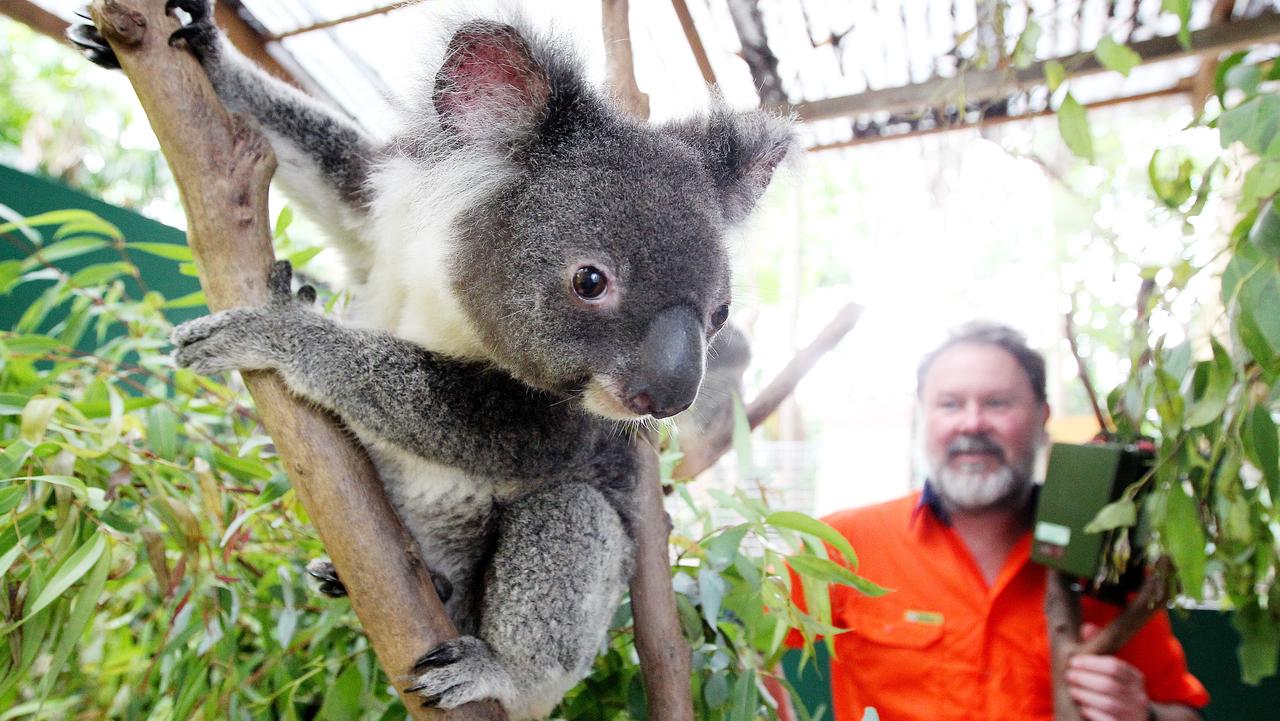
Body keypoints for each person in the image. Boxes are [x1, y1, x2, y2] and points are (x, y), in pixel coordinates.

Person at [778, 321, 1207, 721]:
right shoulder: (844, 545)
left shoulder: (1106, 557)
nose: (972, 423)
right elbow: (738, 640)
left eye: (997, 403)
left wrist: (1144, 714)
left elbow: (1183, 709)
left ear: (1042, 420)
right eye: (950, 404)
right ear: (923, 419)